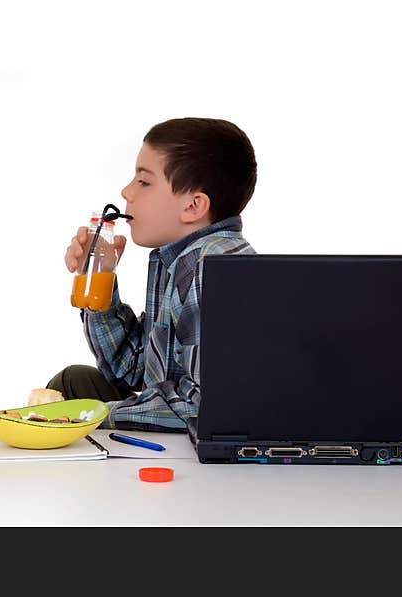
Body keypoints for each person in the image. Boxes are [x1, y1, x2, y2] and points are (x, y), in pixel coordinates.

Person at [49, 118, 257, 432]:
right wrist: (100, 278)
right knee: (75, 381)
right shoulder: (176, 259)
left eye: (144, 182)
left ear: (193, 205)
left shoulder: (210, 268)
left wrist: (98, 416)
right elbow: (131, 370)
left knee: (71, 405)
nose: (126, 191)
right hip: (185, 417)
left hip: (206, 441)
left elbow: (204, 406)